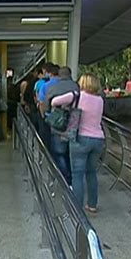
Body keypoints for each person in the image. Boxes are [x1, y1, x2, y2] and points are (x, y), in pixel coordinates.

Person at [51, 73, 105, 213]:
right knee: (91, 172)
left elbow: (54, 102)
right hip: (98, 139)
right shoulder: (100, 100)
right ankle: (92, 204)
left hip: (80, 138)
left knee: (77, 174)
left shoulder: (76, 95)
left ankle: (77, 208)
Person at [45, 67, 80, 185]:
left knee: (59, 153)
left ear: (59, 76)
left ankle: (65, 179)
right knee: (72, 154)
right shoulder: (77, 87)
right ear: (70, 74)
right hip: (75, 125)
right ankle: (73, 179)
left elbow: (46, 107)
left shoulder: (51, 87)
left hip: (57, 126)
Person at [37, 64, 60, 149]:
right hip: (63, 118)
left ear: (50, 74)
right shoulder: (64, 84)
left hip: (49, 116)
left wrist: (43, 116)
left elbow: (41, 103)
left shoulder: (45, 86)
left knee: (48, 140)